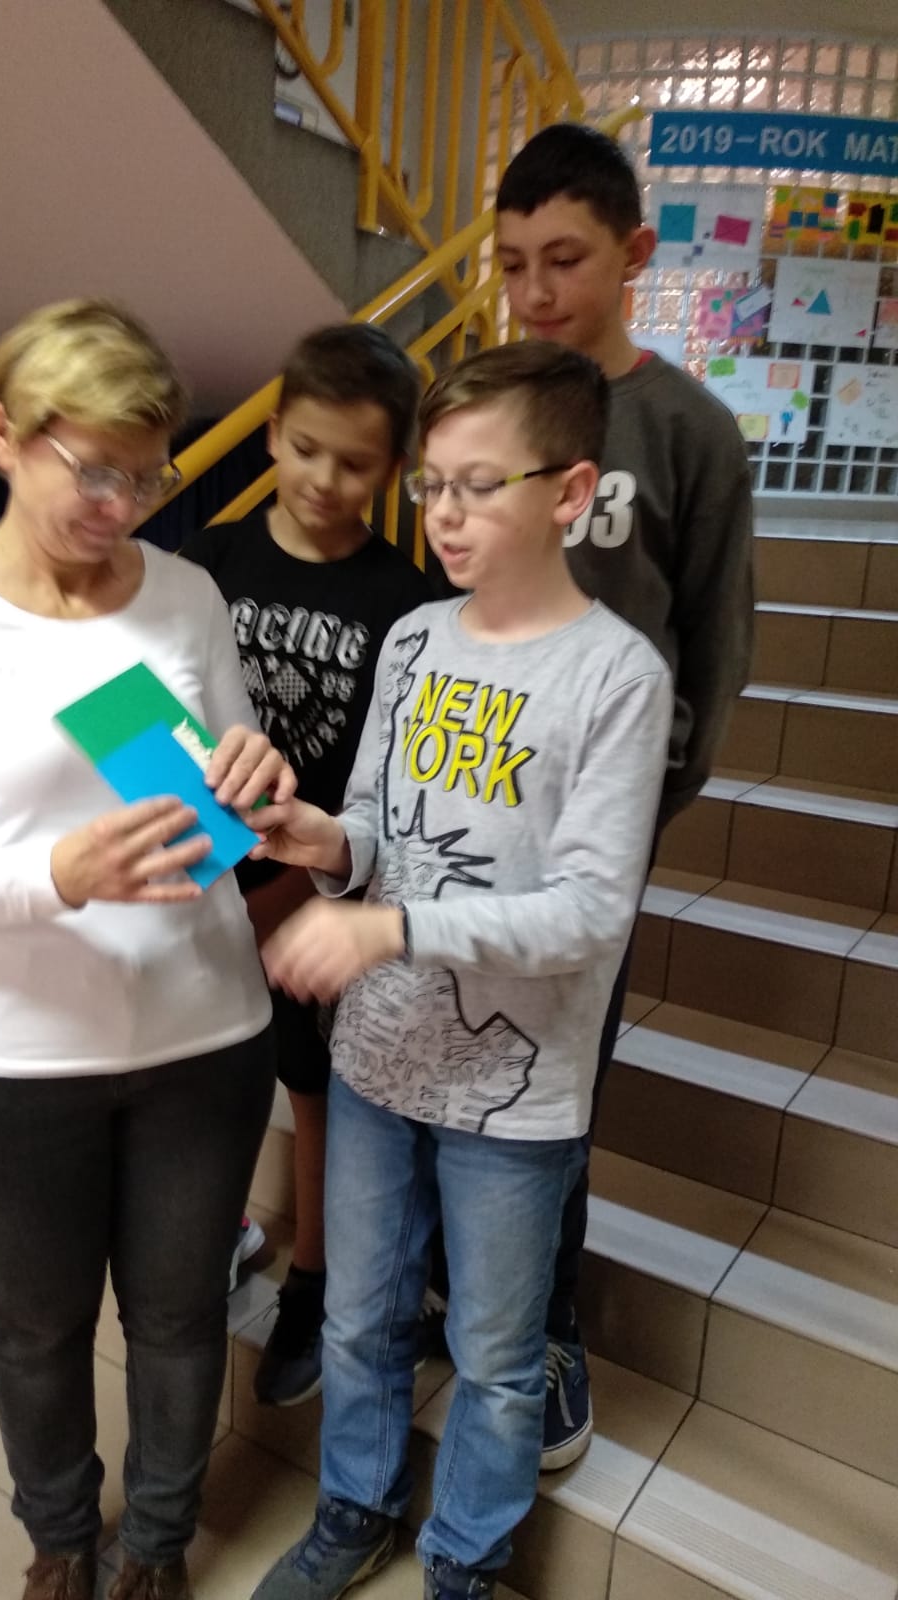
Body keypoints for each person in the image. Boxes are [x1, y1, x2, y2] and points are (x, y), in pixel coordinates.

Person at [0, 299, 295, 1600]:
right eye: (94, 469)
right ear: (4, 434)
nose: (122, 504)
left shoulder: (189, 595)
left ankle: (156, 1540)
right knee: (35, 1326)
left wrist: (255, 776)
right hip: (15, 1060)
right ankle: (60, 1534)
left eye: (146, 474)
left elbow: (232, 795)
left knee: (178, 1316)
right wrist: (57, 875)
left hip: (204, 1034)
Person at [247, 342, 672, 1600]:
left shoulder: (618, 676)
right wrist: (325, 845)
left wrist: (388, 931)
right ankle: (353, 1508)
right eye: (432, 484)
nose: (443, 514)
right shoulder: (416, 638)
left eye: (481, 485)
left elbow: (588, 912)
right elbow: (378, 829)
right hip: (377, 1060)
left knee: (494, 1354)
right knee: (360, 1316)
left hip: (514, 1094)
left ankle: (467, 1560)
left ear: (570, 490)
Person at [484, 121, 755, 1469]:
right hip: (469, 796)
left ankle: (546, 1329)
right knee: (462, 1043)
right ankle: (461, 1289)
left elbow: (713, 643)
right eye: (513, 264)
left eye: (566, 259)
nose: (537, 292)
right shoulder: (485, 408)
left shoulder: (689, 428)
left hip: (595, 825)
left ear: (635, 253)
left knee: (560, 1079)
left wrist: (637, 807)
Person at [183, 324, 430, 1407]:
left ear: (394, 469)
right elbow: (160, 712)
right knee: (202, 1080)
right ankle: (222, 1232)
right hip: (198, 881)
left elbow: (381, 791)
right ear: (274, 433)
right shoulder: (209, 561)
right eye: (309, 448)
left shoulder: (407, 602)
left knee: (312, 1086)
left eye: (356, 462)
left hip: (318, 891)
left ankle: (315, 1283)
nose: (326, 479)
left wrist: (289, 890)